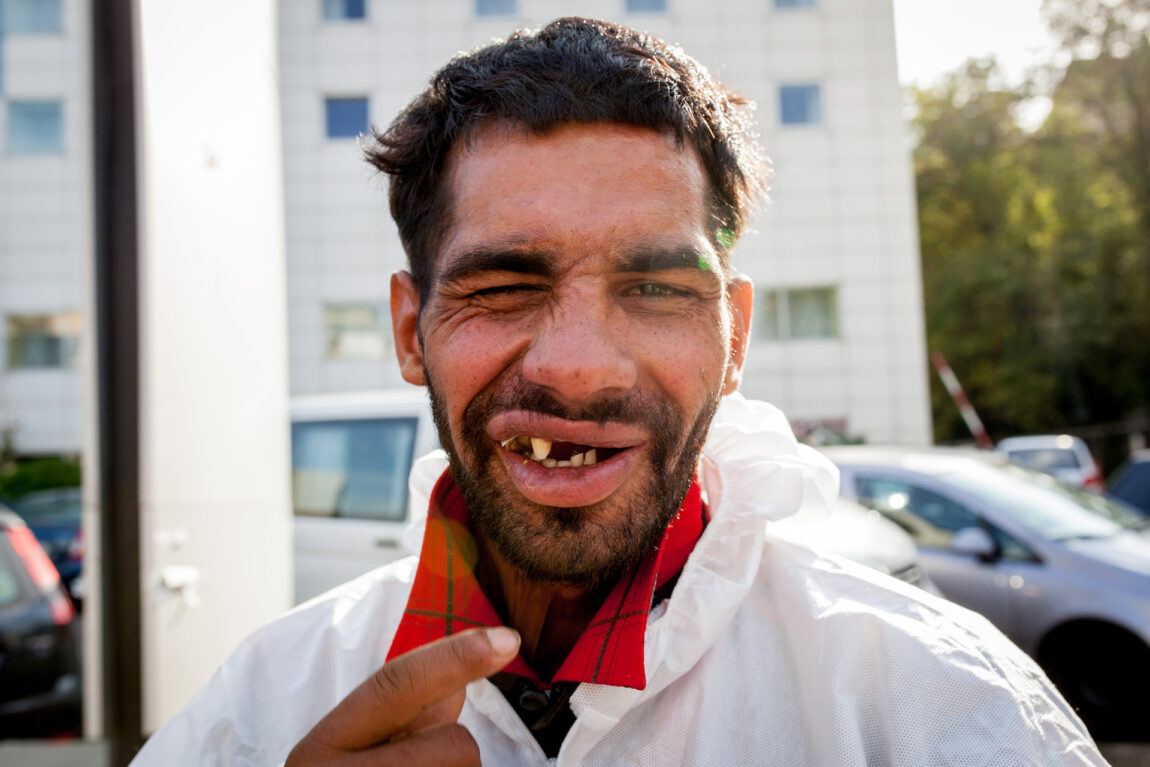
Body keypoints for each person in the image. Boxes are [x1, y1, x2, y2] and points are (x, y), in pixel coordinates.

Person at [132, 17, 1107, 766]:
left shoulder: (938, 699)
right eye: (505, 287)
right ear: (407, 332)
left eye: (656, 289)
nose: (580, 365)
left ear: (734, 339)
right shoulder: (264, 704)